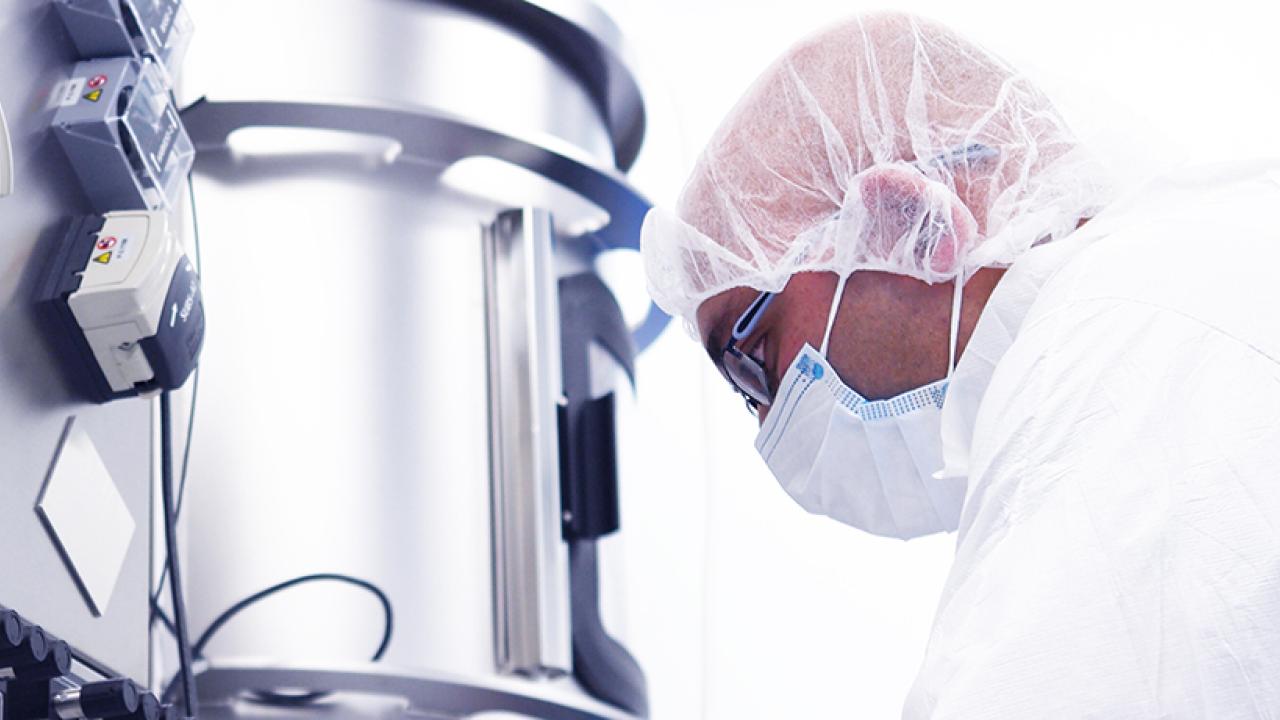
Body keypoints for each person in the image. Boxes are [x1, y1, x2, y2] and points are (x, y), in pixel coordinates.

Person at [640, 11, 1280, 718]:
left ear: (906, 222)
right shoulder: (1197, 268)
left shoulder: (1117, 362)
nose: (768, 420)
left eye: (752, 361)